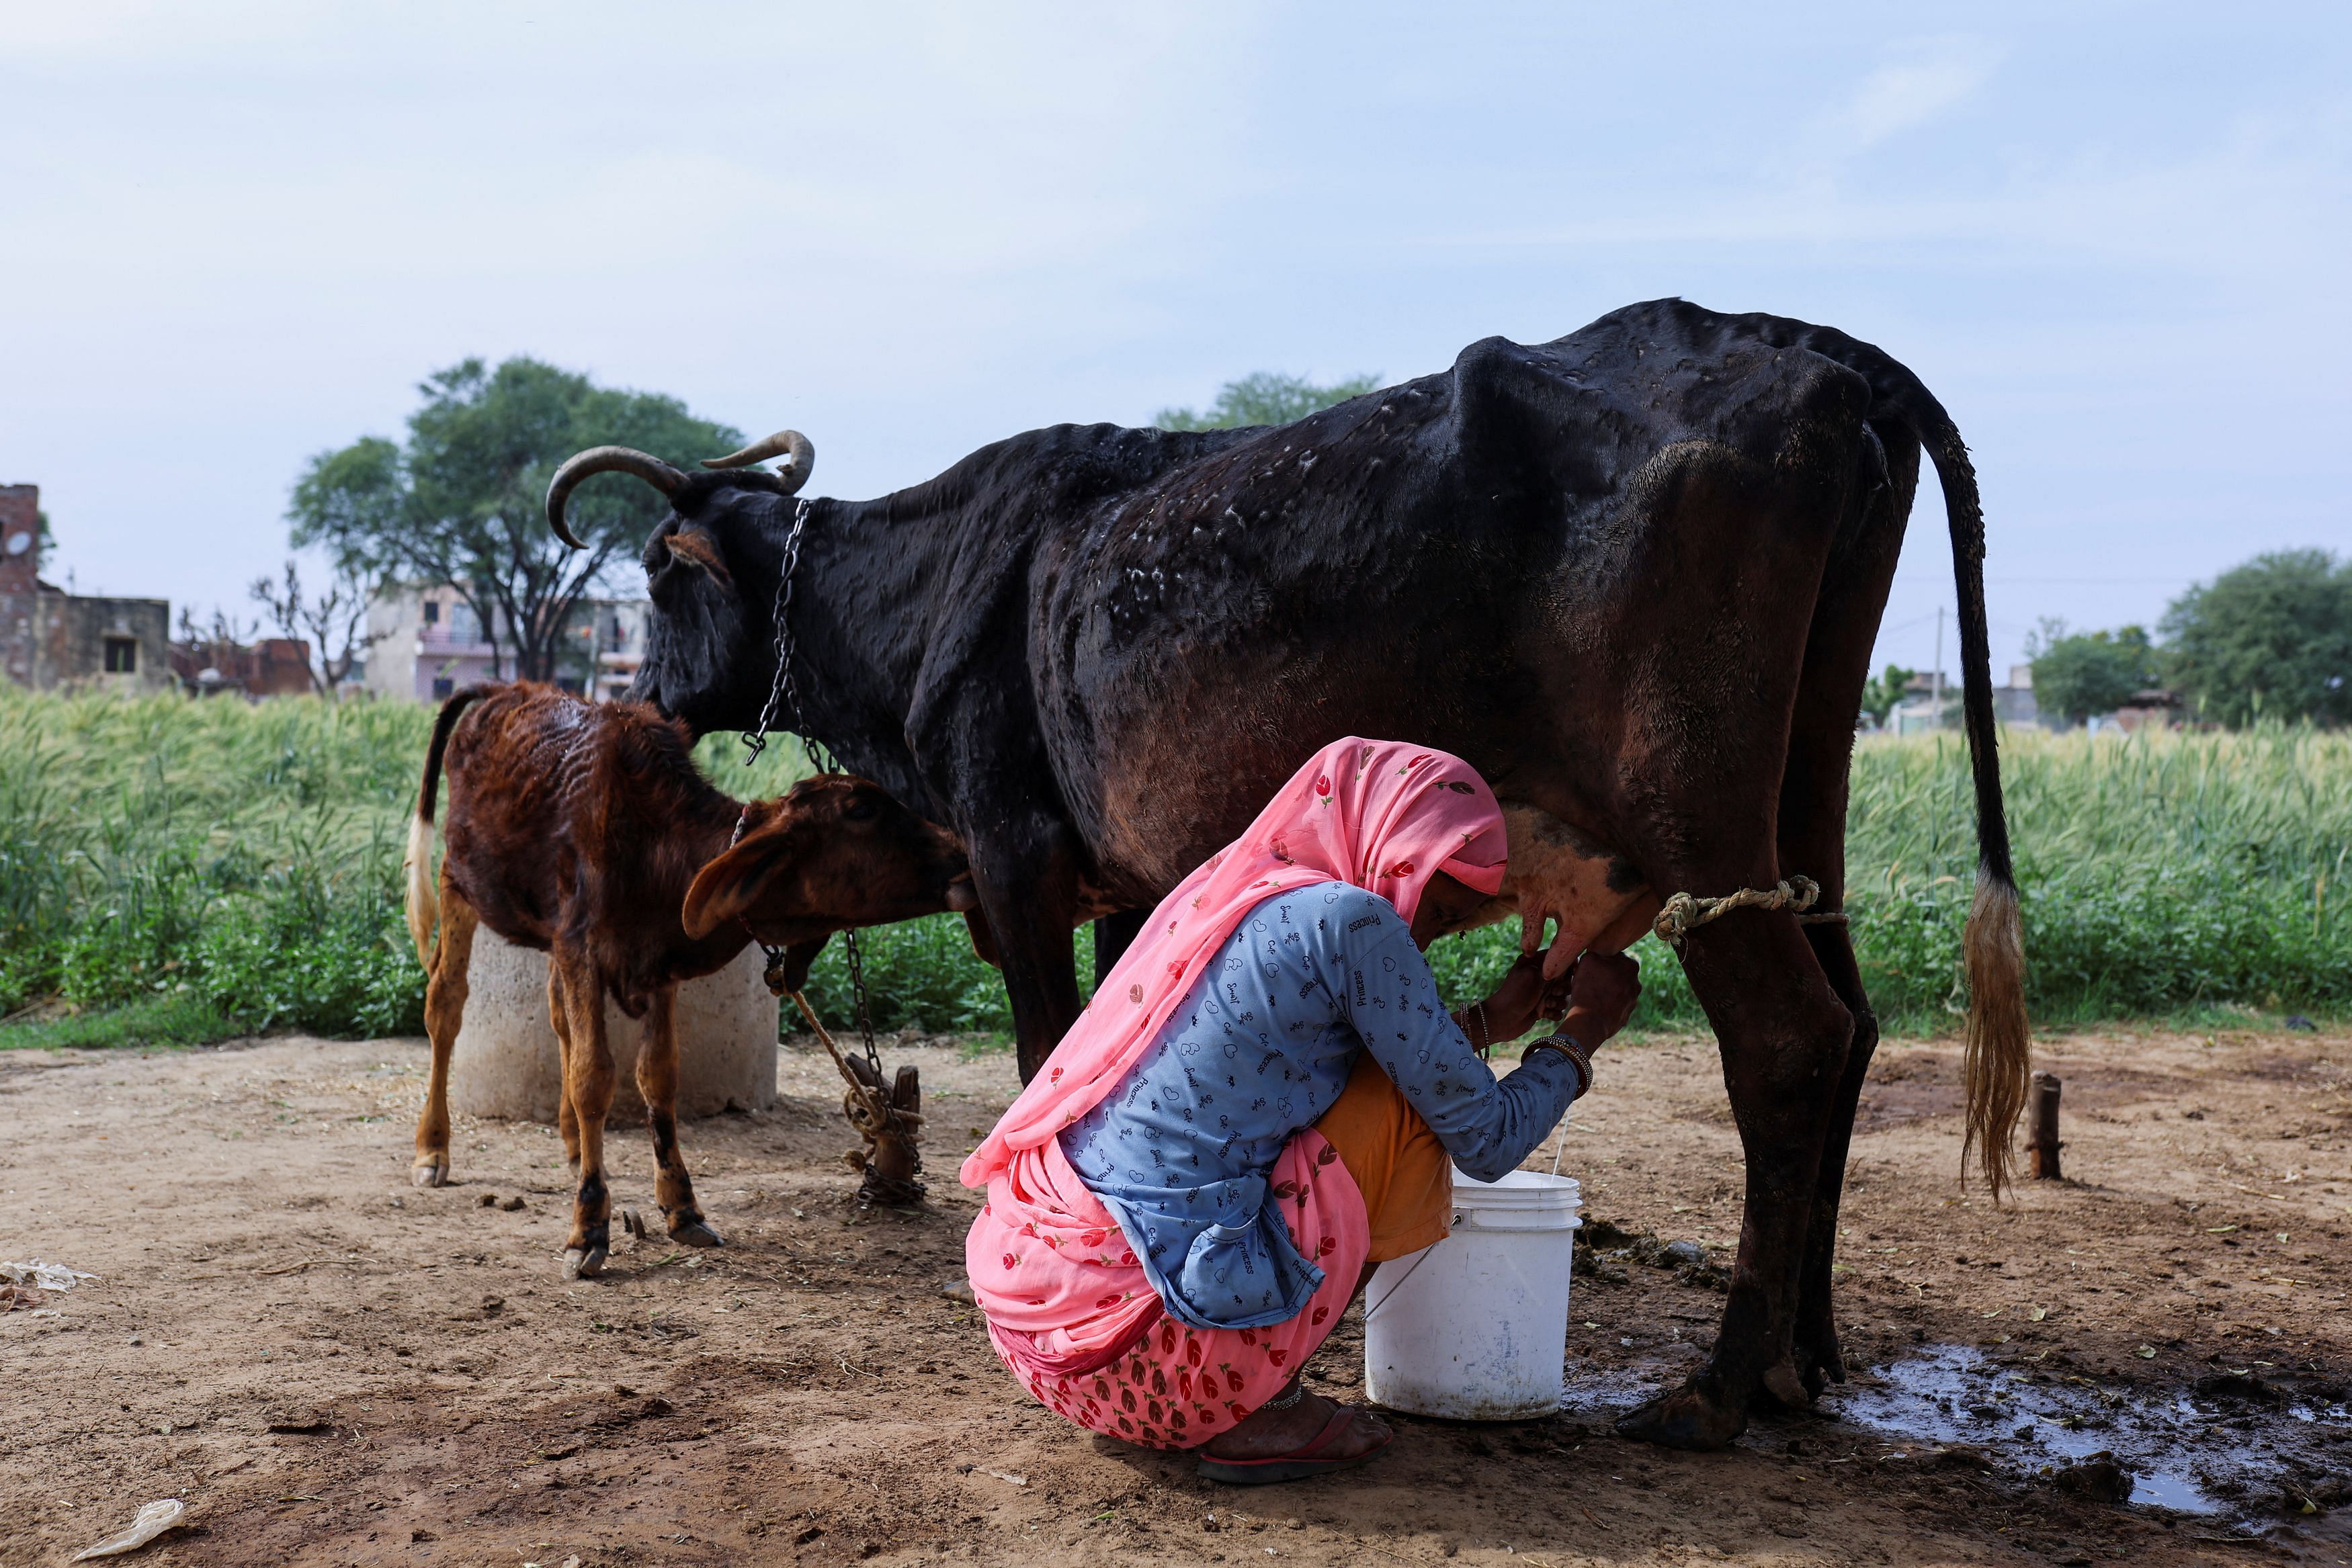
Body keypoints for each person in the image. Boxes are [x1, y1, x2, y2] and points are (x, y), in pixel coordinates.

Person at [960, 738, 1640, 1483]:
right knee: (1409, 1113)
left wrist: (1481, 1024)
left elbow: (1275, 1057)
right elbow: (1484, 1138)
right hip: (1158, 1364)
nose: (1421, 934)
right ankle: (1258, 1410)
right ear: (1384, 846)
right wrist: (1581, 1035)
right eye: (1432, 905)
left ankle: (1246, 1385)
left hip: (1047, 1337)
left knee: (1386, 1087)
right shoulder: (1354, 921)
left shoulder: (1242, 893)